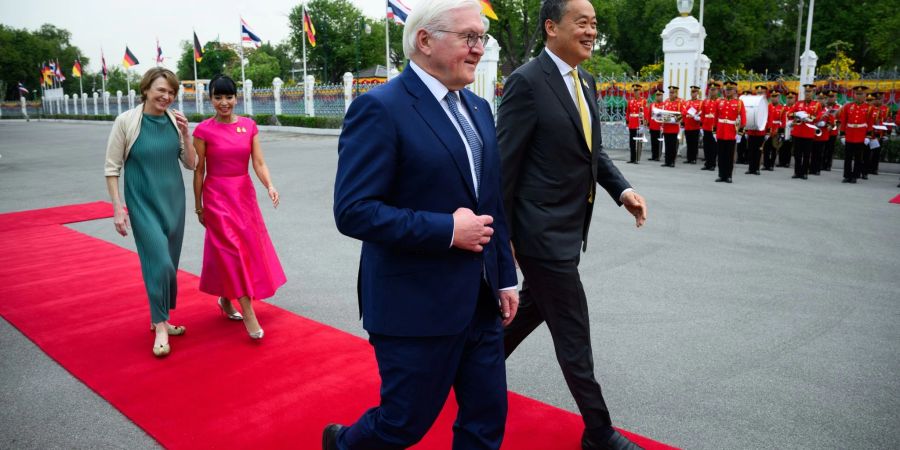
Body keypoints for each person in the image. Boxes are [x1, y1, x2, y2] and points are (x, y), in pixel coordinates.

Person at [326, 1, 519, 448]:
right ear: (425, 41)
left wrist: (506, 277)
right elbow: (353, 209)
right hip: (415, 305)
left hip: (481, 301)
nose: (478, 49)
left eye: (482, 38)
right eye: (468, 37)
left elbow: (490, 201)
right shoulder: (380, 108)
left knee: (487, 418)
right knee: (402, 423)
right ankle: (340, 444)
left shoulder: (478, 108)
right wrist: (447, 230)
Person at [496, 1, 648, 448]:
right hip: (538, 233)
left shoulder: (586, 81)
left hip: (568, 228)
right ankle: (599, 432)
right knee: (573, 330)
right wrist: (502, 239)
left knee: (531, 311)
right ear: (551, 27)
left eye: (594, 24)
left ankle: (466, 366)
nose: (590, 32)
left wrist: (623, 191)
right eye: (581, 23)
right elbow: (506, 166)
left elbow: (592, 151)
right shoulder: (526, 82)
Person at [103, 68, 197, 357]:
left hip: (173, 202)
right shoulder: (126, 122)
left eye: (171, 92)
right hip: (142, 203)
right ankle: (159, 325)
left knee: (170, 262)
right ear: (145, 90)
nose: (166, 97)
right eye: (161, 90)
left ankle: (163, 318)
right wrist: (118, 208)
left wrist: (186, 132)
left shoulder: (174, 120)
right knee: (160, 263)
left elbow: (191, 163)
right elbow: (111, 168)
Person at [192, 74, 286, 340]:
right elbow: (199, 171)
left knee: (241, 250)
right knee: (231, 250)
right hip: (217, 196)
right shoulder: (203, 130)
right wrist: (199, 207)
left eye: (229, 97)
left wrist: (269, 185)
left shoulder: (249, 126)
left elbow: (258, 162)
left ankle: (225, 299)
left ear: (236, 98)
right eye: (218, 97)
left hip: (243, 196)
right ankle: (248, 313)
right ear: (210, 99)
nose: (224, 102)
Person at [838, 86, 874, 184]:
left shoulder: (869, 108)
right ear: (854, 95)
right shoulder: (848, 106)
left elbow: (870, 123)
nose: (858, 96)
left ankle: (855, 176)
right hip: (849, 134)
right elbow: (843, 121)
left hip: (861, 135)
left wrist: (868, 136)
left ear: (865, 95)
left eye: (861, 94)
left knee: (858, 158)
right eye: (857, 94)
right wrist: (842, 135)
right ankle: (847, 175)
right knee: (848, 157)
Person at [714, 81, 746, 183]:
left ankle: (728, 175)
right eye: (727, 89)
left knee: (729, 155)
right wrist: (714, 131)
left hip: (732, 132)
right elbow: (715, 117)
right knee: (721, 155)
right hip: (720, 131)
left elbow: (743, 119)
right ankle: (720, 175)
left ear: (735, 91)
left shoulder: (739, 103)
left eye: (730, 89)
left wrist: (740, 134)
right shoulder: (719, 101)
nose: (728, 91)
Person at [743, 84, 769, 175]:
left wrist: (767, 132)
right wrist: (746, 131)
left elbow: (768, 119)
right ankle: (751, 168)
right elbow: (748, 116)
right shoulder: (752, 103)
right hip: (751, 131)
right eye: (758, 92)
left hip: (761, 132)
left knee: (758, 151)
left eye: (761, 92)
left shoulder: (766, 105)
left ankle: (756, 168)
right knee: (750, 150)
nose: (759, 94)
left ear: (765, 93)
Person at [762, 89, 786, 171]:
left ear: (778, 97)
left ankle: (771, 165)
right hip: (768, 129)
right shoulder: (767, 107)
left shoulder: (782, 108)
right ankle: (765, 165)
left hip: (776, 130)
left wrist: (780, 132)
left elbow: (783, 121)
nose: (773, 98)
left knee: (774, 148)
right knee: (766, 148)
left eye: (775, 96)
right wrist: (766, 130)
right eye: (772, 96)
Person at [809, 90, 832, 176]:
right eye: (819, 98)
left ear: (825, 100)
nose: (820, 100)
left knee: (819, 153)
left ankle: (817, 169)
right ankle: (811, 169)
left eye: (822, 99)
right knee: (812, 152)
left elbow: (832, 123)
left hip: (822, 134)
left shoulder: (827, 110)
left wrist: (826, 124)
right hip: (812, 133)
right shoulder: (813, 109)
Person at [661, 85, 683, 167]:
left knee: (673, 145)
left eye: (673, 93)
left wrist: (676, 119)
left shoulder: (679, 102)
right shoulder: (666, 101)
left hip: (674, 127)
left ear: (676, 93)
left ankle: (672, 161)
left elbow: (683, 113)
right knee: (667, 144)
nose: (671, 94)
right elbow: (662, 112)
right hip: (667, 126)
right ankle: (667, 161)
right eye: (670, 92)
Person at [700, 82, 720, 171]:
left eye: (714, 90)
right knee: (706, 146)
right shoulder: (705, 101)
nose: (712, 92)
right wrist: (702, 125)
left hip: (714, 127)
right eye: (711, 90)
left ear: (717, 91)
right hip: (706, 126)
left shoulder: (719, 101)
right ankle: (707, 163)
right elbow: (703, 114)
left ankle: (712, 164)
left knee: (714, 147)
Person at [682, 85, 703, 164]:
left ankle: (694, 158)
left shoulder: (700, 102)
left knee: (694, 143)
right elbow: (684, 112)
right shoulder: (687, 102)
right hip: (687, 125)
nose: (693, 94)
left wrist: (696, 116)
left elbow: (701, 113)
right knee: (688, 142)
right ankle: (689, 158)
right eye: (692, 92)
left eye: (694, 92)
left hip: (695, 126)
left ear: (697, 93)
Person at [821, 90, 841, 171]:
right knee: (822, 148)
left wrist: (838, 129)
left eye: (832, 97)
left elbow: (840, 120)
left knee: (830, 149)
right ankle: (821, 164)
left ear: (836, 97)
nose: (830, 98)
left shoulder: (839, 107)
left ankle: (828, 165)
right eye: (829, 97)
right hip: (823, 130)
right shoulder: (823, 106)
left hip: (833, 130)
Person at [625, 83, 645, 164]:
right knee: (632, 142)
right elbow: (628, 112)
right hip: (632, 124)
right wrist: (627, 123)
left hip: (639, 123)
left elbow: (645, 112)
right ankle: (632, 158)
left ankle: (637, 158)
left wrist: (643, 124)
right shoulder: (630, 101)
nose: (635, 92)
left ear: (640, 91)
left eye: (637, 91)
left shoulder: (643, 101)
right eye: (634, 91)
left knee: (638, 142)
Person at [778, 92, 797, 168]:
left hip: (791, 129)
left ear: (794, 99)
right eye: (788, 98)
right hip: (783, 128)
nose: (789, 100)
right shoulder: (783, 108)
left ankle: (787, 162)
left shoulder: (796, 108)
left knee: (788, 146)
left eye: (791, 98)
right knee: (781, 145)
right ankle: (781, 161)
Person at [645, 89, 663, 161]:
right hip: (652, 125)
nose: (658, 97)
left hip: (659, 126)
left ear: (662, 96)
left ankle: (658, 156)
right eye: (657, 95)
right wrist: (648, 124)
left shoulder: (663, 105)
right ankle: (653, 155)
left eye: (659, 95)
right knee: (653, 141)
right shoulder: (652, 104)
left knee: (659, 142)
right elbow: (649, 115)